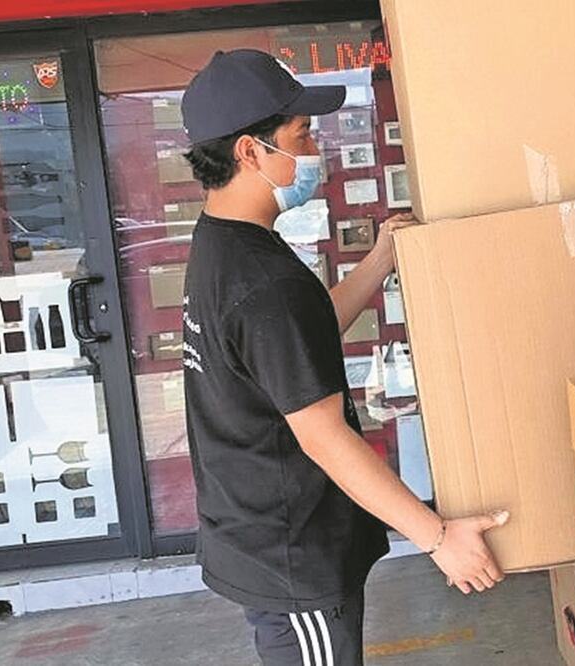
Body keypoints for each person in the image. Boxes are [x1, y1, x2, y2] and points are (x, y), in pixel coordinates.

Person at [179, 49, 508, 666]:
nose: (314, 148)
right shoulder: (260, 280)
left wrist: (380, 260)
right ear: (251, 152)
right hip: (289, 555)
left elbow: (296, 342)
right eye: (301, 135)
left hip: (261, 534)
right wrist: (438, 539)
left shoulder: (221, 243)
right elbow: (323, 436)